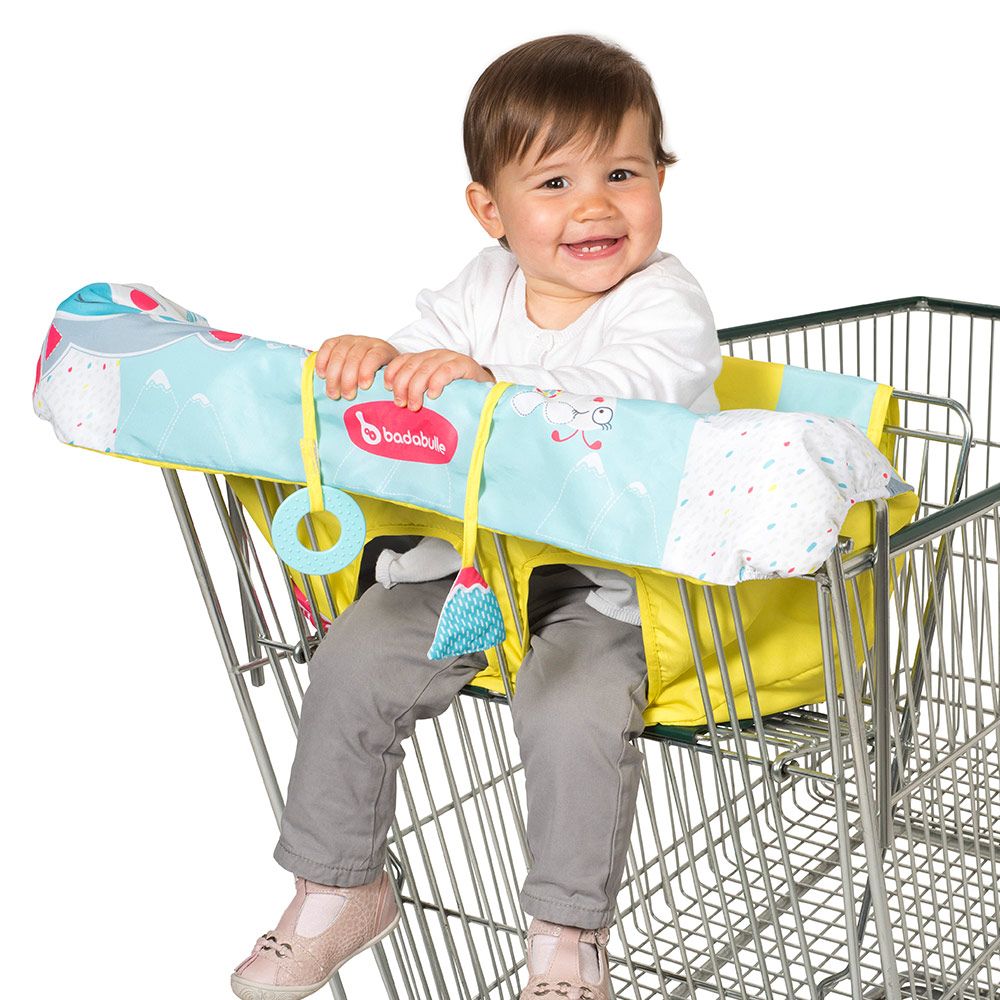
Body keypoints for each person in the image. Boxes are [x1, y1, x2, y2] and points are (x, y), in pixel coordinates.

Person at [231, 32, 723, 1000]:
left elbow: (642, 386)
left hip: (607, 577)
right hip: (475, 564)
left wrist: (490, 380)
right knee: (351, 660)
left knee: (572, 710)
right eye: (555, 183)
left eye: (623, 173)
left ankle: (566, 938)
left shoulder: (664, 300)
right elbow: (419, 365)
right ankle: (338, 885)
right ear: (490, 210)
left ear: (661, 179)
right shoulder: (478, 289)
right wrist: (377, 359)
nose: (594, 205)